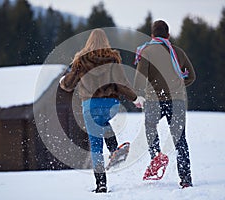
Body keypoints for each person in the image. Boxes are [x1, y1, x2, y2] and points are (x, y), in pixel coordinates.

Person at [59, 28, 144, 193]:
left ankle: (101, 184)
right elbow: (121, 83)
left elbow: (68, 85)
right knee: (103, 121)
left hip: (90, 105)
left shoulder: (81, 61)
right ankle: (114, 150)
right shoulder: (113, 59)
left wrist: (63, 80)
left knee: (96, 146)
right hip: (111, 105)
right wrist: (135, 98)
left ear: (89, 41)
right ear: (105, 41)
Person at [133, 20, 196, 188]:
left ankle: (156, 158)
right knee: (180, 139)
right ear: (168, 34)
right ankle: (185, 179)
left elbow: (139, 79)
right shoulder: (178, 52)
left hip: (154, 100)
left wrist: (139, 95)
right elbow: (191, 76)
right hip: (177, 101)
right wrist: (178, 86)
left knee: (150, 129)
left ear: (152, 35)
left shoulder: (146, 52)